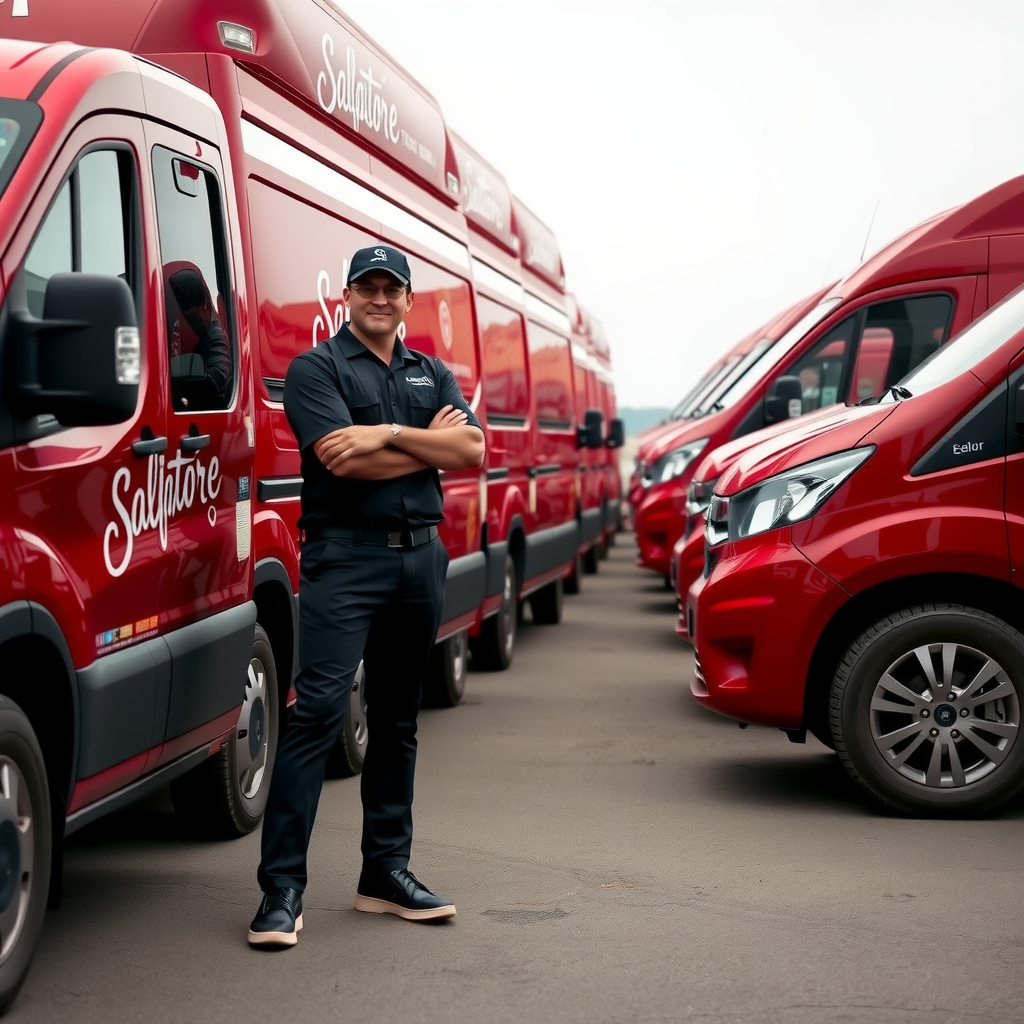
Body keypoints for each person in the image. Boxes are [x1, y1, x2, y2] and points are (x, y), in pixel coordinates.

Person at [248, 244, 485, 948]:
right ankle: (282, 890)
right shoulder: (315, 369)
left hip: (421, 560)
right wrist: (424, 443)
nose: (380, 298)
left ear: (409, 301)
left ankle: (385, 874)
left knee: (398, 720)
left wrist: (384, 433)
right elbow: (336, 459)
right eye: (367, 287)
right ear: (348, 297)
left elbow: (471, 450)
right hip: (345, 560)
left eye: (392, 288)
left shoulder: (430, 370)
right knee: (317, 715)